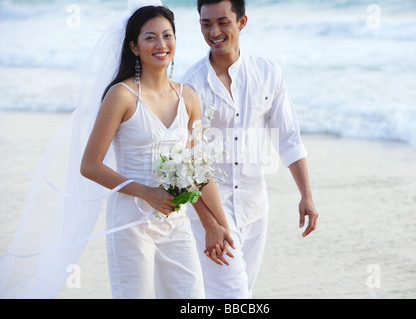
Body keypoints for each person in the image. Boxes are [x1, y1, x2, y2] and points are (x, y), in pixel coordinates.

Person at [79, 4, 234, 299]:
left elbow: (198, 170)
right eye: (150, 38)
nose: (161, 45)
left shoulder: (188, 97)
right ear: (134, 47)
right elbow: (90, 165)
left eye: (167, 35)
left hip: (175, 225)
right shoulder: (121, 96)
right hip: (130, 223)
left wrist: (218, 226)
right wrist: (145, 192)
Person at [182, 0, 319, 299]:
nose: (214, 31)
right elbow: (187, 165)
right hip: (213, 210)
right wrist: (209, 224)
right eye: (206, 24)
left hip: (255, 206)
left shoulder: (268, 73)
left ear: (242, 22)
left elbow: (289, 137)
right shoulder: (190, 85)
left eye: (222, 22)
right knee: (232, 296)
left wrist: (306, 195)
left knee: (243, 292)